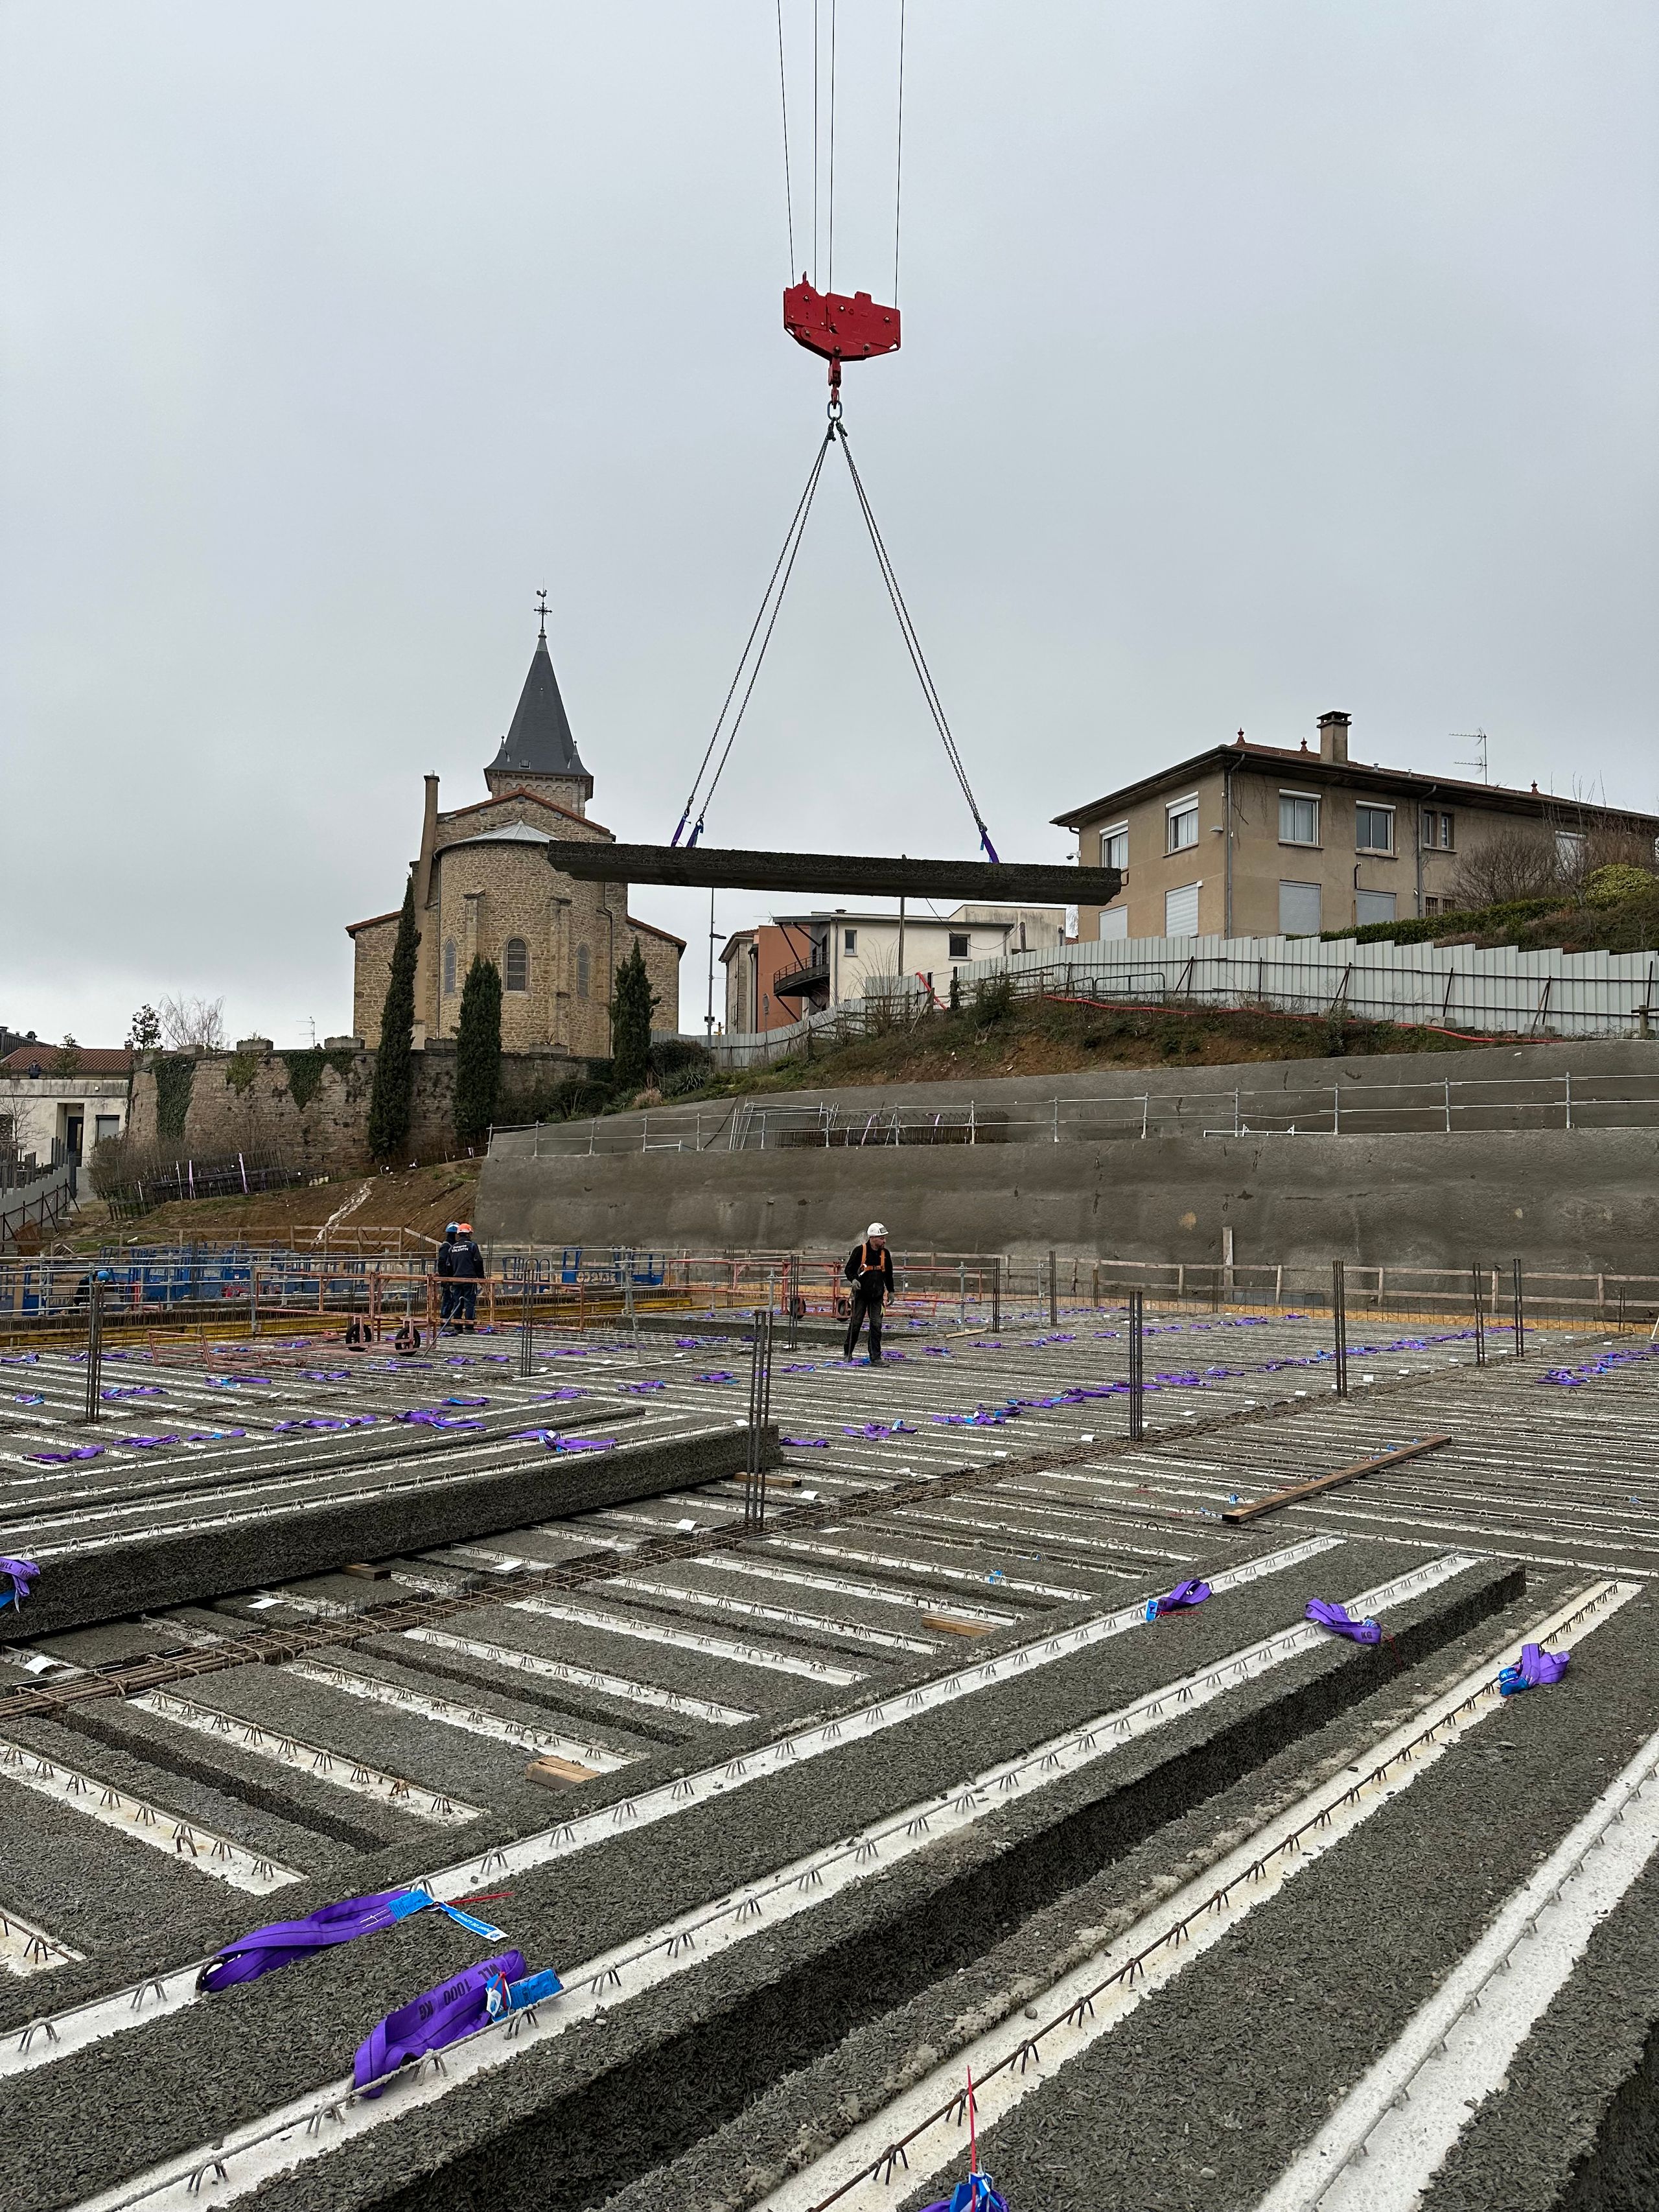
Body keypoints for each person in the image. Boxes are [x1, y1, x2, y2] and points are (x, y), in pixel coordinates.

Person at [843, 1222, 894, 1364]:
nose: (884, 1241)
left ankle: (876, 1357)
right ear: (873, 1238)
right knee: (856, 1324)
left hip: (877, 1296)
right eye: (881, 1238)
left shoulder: (885, 1254)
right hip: (861, 1295)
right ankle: (848, 1353)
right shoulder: (860, 1251)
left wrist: (891, 1291)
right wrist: (853, 1280)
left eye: (884, 1238)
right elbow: (849, 1269)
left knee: (876, 1325)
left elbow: (889, 1274)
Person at [450, 1222, 485, 1333]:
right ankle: (469, 1327)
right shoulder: (472, 1246)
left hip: (456, 1280)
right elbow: (478, 1262)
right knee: (469, 1303)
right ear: (469, 1234)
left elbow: (448, 1265)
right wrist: (481, 1278)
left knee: (457, 1303)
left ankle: (457, 1327)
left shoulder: (452, 1248)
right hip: (469, 1280)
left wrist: (449, 1280)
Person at [435, 1224, 460, 1332]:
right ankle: (445, 1322)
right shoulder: (446, 1246)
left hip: (454, 1277)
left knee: (454, 1300)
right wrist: (444, 1278)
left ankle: (451, 1321)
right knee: (448, 1301)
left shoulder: (454, 1245)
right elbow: (441, 1262)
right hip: (448, 1278)